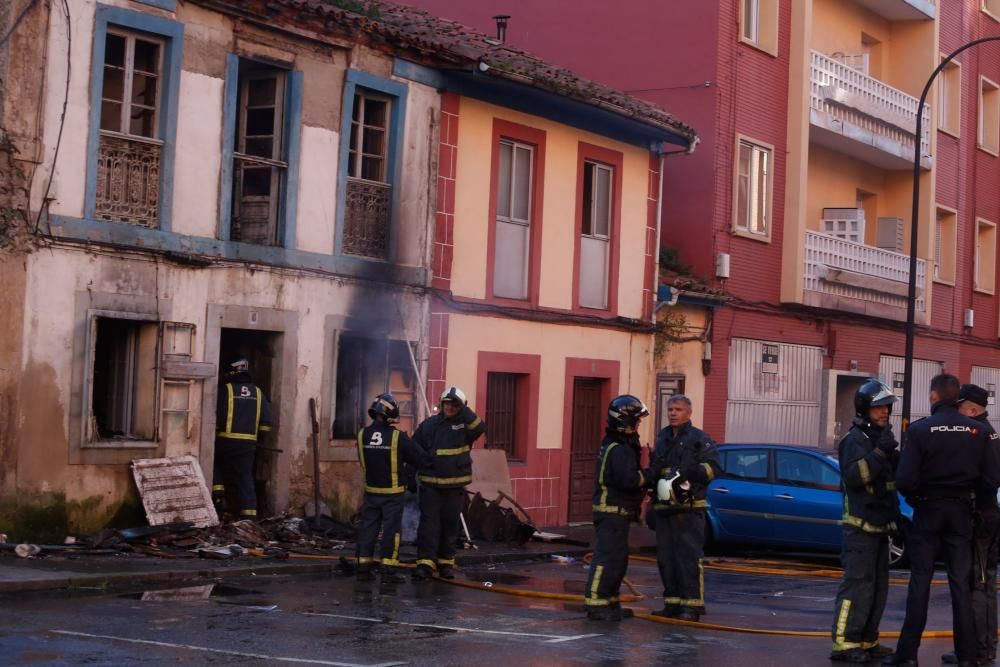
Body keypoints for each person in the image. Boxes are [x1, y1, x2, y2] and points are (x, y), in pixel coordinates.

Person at [884, 374, 1000, 667]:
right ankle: (966, 656)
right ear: (956, 397)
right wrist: (972, 501)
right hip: (962, 513)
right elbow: (991, 479)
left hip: (929, 511)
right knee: (961, 584)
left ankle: (907, 654)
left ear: (934, 396)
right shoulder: (978, 431)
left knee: (920, 582)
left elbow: (905, 480)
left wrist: (919, 499)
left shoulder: (921, 430)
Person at [829, 379, 900, 664]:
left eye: (887, 407)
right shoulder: (854, 440)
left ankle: (867, 640)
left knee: (877, 588)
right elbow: (856, 477)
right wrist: (882, 453)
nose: (885, 412)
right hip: (859, 527)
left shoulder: (878, 439)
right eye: (879, 407)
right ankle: (845, 643)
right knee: (856, 586)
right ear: (864, 408)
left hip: (880, 527)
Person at [648, 394, 720, 622]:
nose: (672, 413)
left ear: (689, 413)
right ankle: (673, 603)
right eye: (670, 409)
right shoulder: (662, 438)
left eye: (678, 409)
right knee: (666, 558)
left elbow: (714, 468)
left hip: (689, 509)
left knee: (688, 558)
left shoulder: (699, 438)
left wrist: (690, 473)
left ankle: (692, 606)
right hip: (664, 507)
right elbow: (656, 468)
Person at [942, 384, 1000, 665]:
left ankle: (979, 648)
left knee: (978, 584)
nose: (958, 412)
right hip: (990, 517)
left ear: (973, 409)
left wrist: (973, 504)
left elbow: (988, 479)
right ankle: (984, 646)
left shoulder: (979, 434)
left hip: (981, 519)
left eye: (961, 407)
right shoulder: (990, 433)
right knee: (985, 583)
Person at [584, 394, 651, 622]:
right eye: (637, 420)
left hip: (616, 512)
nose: (638, 425)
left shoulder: (617, 444)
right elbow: (628, 480)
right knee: (606, 559)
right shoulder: (619, 448)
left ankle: (610, 603)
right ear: (626, 420)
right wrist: (650, 475)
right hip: (611, 511)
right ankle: (596, 604)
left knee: (617, 560)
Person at [355, 393, 432, 583]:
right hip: (393, 495)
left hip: (371, 492)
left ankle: (363, 567)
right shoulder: (398, 438)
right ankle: (388, 570)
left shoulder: (361, 434)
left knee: (368, 529)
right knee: (391, 531)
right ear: (391, 412)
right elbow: (420, 458)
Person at [411, 386, 485, 580]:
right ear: (441, 404)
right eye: (447, 404)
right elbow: (414, 450)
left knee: (450, 526)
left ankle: (445, 564)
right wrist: (410, 476)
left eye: (454, 405)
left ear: (461, 407)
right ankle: (425, 563)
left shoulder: (465, 428)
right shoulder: (428, 425)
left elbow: (479, 427)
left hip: (454, 488)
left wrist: (463, 407)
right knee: (429, 526)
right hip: (431, 487)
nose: (450, 408)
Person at [212, 357, 273, 520]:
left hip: (225, 440)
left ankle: (219, 496)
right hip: (248, 444)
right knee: (245, 477)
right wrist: (258, 438)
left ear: (231, 372)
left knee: (214, 462)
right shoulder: (258, 392)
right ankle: (249, 515)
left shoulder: (225, 390)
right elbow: (266, 423)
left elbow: (217, 416)